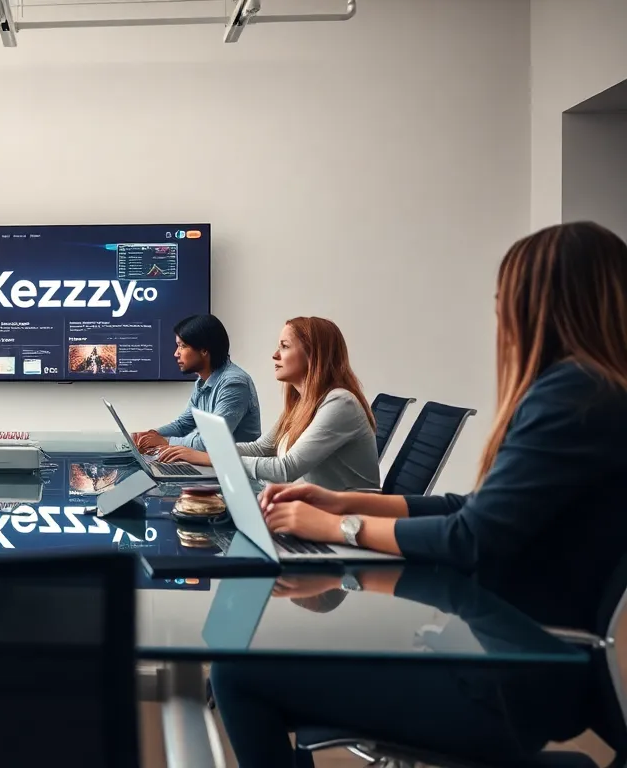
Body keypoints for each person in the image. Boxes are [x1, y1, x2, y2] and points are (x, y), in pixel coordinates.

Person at [211, 221, 627, 766]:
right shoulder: (592, 392)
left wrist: (335, 529)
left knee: (236, 670)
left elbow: (470, 539)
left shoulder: (572, 397)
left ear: (542, 304)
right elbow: (474, 511)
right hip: (509, 652)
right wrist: (345, 502)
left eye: (506, 298)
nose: (500, 314)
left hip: (506, 679)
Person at [156, 317, 378, 491]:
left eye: (284, 346)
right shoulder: (303, 403)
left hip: (346, 523)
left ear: (313, 354)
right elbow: (262, 448)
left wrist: (214, 458)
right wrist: (209, 454)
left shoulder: (340, 403)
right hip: (311, 512)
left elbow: (285, 469)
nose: (275, 355)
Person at [132, 314, 261, 453]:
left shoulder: (234, 384)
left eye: (183, 346)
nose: (176, 353)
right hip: (212, 465)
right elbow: (183, 424)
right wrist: (150, 435)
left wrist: (165, 442)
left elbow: (212, 441)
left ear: (204, 350)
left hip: (232, 471)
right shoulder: (203, 381)